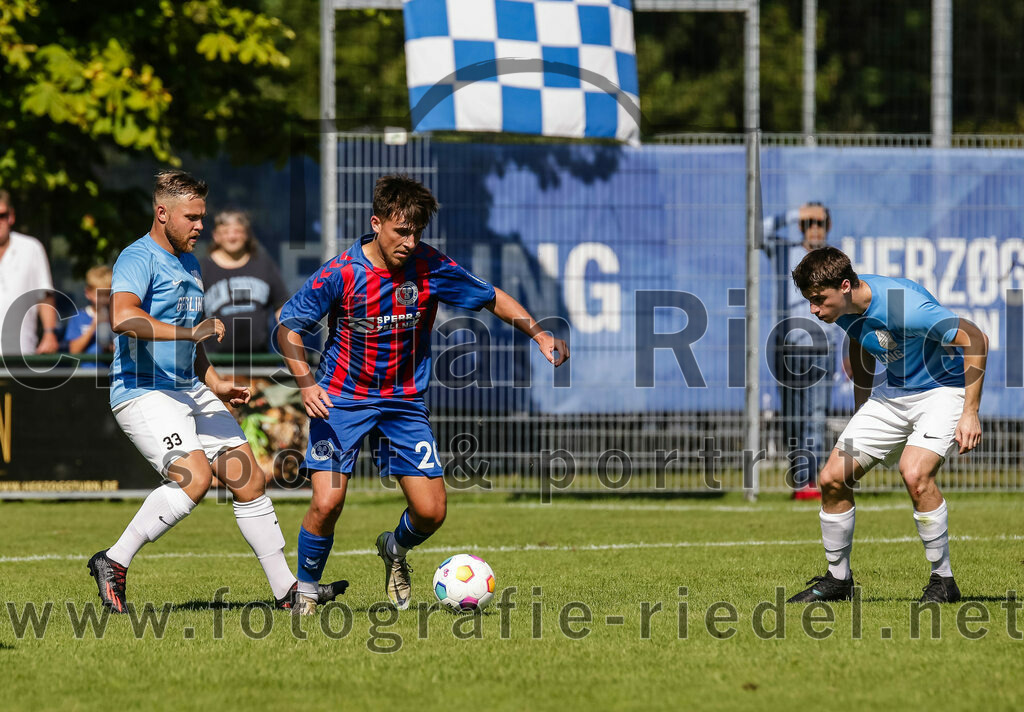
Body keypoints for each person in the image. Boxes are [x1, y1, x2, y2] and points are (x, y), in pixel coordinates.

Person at [277, 174, 569, 614]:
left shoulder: (430, 266)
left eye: (417, 232)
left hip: (402, 402)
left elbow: (491, 297)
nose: (410, 242)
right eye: (401, 231)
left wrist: (539, 334)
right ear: (376, 223)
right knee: (327, 500)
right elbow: (287, 328)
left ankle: (394, 548)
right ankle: (306, 591)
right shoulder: (341, 273)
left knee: (432, 511)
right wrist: (305, 383)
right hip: (341, 400)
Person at [86, 170, 345, 613]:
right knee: (195, 479)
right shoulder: (138, 256)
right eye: (192, 217)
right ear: (162, 212)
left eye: (203, 217)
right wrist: (191, 336)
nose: (200, 226)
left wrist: (216, 381)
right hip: (143, 391)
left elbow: (193, 336)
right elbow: (123, 318)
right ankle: (113, 560)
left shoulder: (190, 262)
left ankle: (287, 591)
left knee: (249, 480)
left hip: (189, 387)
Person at [786, 246, 987, 604]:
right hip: (892, 394)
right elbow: (859, 342)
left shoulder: (903, 305)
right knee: (832, 477)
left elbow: (974, 338)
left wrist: (970, 412)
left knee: (915, 473)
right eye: (809, 302)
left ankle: (943, 580)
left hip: (943, 392)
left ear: (845, 285)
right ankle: (838, 580)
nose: (814, 310)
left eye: (818, 300)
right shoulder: (845, 309)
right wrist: (862, 406)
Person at [763, 202, 838, 498]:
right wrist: (796, 212)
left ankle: (810, 480)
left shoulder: (834, 259)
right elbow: (758, 232)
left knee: (816, 415)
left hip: (822, 347)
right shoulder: (784, 251)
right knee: (793, 416)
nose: (814, 230)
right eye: (808, 224)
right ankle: (798, 479)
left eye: (819, 223)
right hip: (790, 347)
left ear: (828, 227)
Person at [199, 210, 289, 362]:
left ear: (246, 234)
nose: (232, 237)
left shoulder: (263, 264)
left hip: (259, 362)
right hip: (214, 362)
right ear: (216, 236)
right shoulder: (202, 268)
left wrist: (291, 343)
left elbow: (282, 308)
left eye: (237, 231)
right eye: (225, 232)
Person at [0, 189, 58, 356]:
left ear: (11, 216)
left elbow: (44, 294)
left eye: (1, 216)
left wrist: (49, 333)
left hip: (21, 352)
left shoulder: (31, 248)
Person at [64, 265, 114, 365]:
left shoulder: (116, 317)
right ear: (88, 293)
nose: (104, 299)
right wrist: (94, 325)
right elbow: (74, 350)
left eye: (107, 294)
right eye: (99, 294)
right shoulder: (79, 317)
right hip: (86, 375)